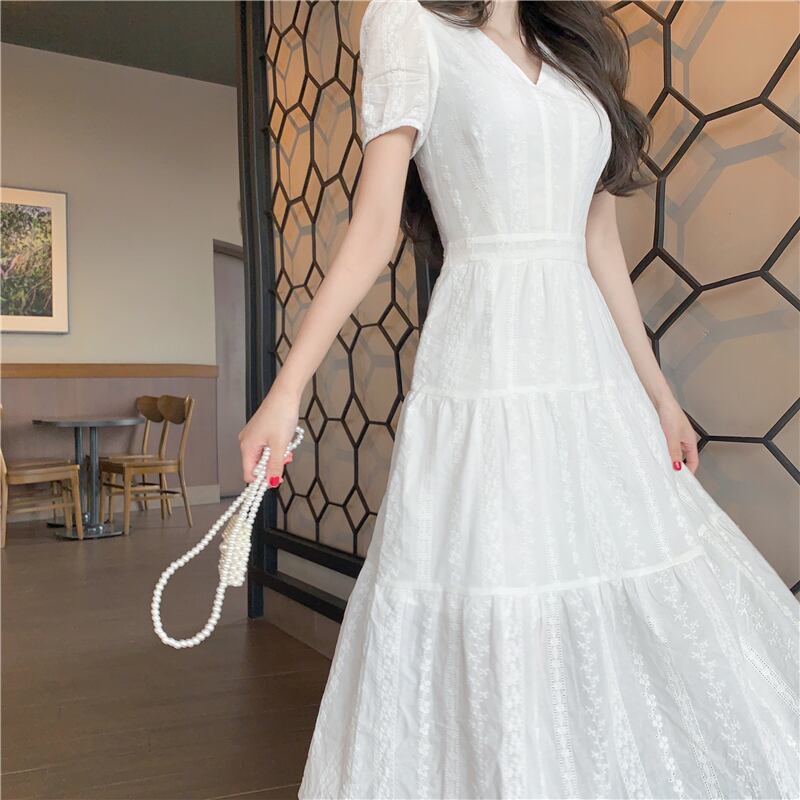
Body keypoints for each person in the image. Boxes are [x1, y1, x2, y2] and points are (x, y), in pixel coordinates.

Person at [238, 1, 800, 797]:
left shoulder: (577, 48)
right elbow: (374, 227)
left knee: (616, 570)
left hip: (587, 367)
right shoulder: (406, 22)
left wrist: (659, 394)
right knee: (500, 576)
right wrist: (287, 388)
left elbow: (599, 244)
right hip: (486, 359)